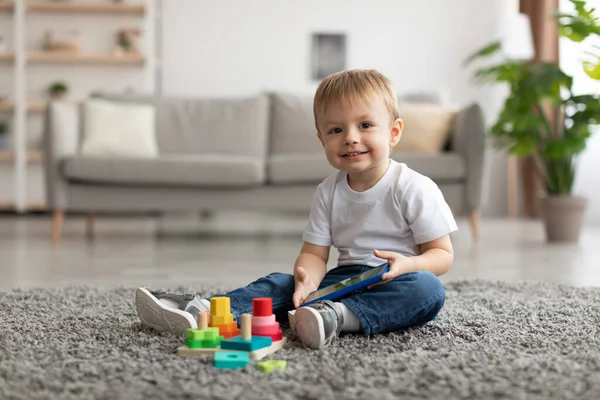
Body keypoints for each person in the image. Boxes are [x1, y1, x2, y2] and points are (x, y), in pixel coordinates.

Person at [135, 69, 457, 349]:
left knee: (428, 290)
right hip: (341, 282)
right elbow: (315, 255)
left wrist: (409, 264)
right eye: (336, 130)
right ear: (321, 139)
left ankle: (338, 318)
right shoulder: (328, 191)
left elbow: (442, 255)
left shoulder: (414, 187)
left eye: (365, 125)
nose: (350, 138)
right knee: (280, 282)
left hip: (394, 280)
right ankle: (203, 310)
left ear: (394, 132)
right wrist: (307, 281)